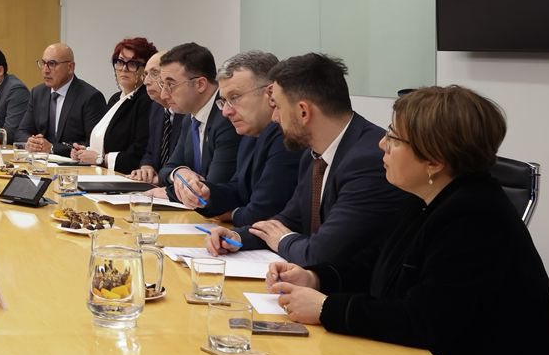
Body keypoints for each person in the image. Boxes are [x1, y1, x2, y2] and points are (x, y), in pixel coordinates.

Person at [267, 86, 549, 355]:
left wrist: (328, 308)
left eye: (394, 137)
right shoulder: (429, 199)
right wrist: (316, 277)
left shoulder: (474, 218)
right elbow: (380, 270)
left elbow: (424, 322)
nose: (381, 144)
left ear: (433, 160)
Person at [207, 53, 407, 272]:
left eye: (278, 107)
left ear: (303, 111)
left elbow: (318, 253)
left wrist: (282, 239)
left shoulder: (367, 161)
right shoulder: (314, 153)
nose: (274, 118)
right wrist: (237, 237)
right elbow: (289, 220)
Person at [172, 51, 302, 227]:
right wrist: (206, 193)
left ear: (270, 93)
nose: (226, 112)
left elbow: (263, 213)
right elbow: (238, 189)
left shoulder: (286, 136)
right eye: (223, 101)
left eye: (234, 98)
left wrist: (232, 214)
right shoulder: (251, 133)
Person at [152, 42, 239, 193]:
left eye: (170, 85)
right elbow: (166, 170)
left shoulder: (226, 118)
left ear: (200, 84)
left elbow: (212, 189)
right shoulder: (190, 118)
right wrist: (179, 173)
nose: (164, 95)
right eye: (162, 85)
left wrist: (168, 193)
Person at [70, 37, 154, 173]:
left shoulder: (147, 100)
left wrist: (100, 159)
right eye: (120, 62)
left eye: (132, 63)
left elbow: (139, 153)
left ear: (145, 69)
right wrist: (84, 152)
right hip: (103, 174)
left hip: (126, 176)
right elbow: (107, 142)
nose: (124, 69)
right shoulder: (115, 98)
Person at [18, 42, 105, 155]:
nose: (45, 70)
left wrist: (53, 148)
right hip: (41, 162)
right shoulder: (38, 93)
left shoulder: (90, 97)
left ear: (70, 67)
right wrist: (32, 142)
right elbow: (22, 132)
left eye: (52, 64)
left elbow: (93, 144)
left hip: (73, 163)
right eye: (43, 63)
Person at [129, 51, 183, 184]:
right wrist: (146, 166)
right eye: (146, 74)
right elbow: (150, 151)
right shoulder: (156, 108)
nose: (146, 82)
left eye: (154, 73)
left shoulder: (186, 111)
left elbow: (184, 162)